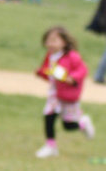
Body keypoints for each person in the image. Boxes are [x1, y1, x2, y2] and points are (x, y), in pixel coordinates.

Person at [34, 26, 95, 158]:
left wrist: (71, 79)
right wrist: (40, 73)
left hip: (68, 95)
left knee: (68, 125)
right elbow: (48, 72)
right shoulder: (50, 56)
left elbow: (83, 70)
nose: (50, 44)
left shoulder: (72, 56)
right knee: (49, 116)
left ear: (65, 42)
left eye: (54, 40)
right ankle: (51, 146)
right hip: (54, 94)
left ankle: (83, 123)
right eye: (48, 40)